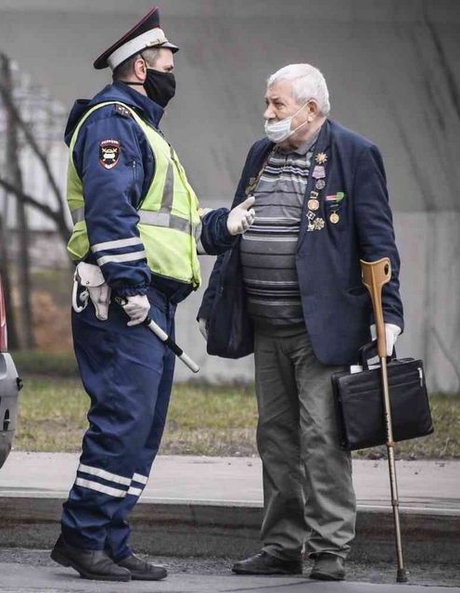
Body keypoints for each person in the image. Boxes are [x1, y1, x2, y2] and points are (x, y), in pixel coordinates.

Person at [50, 6, 256, 582]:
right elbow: (111, 213)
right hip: (121, 301)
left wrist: (225, 227)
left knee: (141, 426)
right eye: (167, 59)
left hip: (147, 302)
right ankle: (83, 538)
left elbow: (171, 228)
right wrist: (131, 287)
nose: (172, 67)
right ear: (141, 65)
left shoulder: (146, 132)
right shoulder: (113, 122)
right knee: (123, 420)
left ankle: (111, 539)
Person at [197, 63, 404, 582]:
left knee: (321, 436)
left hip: (323, 328)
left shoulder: (354, 154)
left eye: (277, 105)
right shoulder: (260, 154)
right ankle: (283, 544)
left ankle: (330, 546)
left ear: (311, 109)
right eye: (267, 104)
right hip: (268, 325)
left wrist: (390, 316)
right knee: (276, 437)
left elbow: (378, 242)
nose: (267, 114)